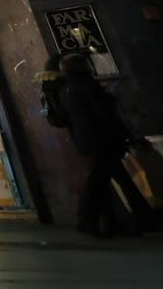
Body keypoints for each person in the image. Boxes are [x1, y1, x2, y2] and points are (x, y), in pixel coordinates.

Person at [55, 53, 153, 237]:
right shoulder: (87, 86)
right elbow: (105, 114)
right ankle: (88, 219)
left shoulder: (66, 89)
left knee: (116, 179)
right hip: (102, 139)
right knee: (99, 180)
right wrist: (125, 136)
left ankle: (139, 217)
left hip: (87, 140)